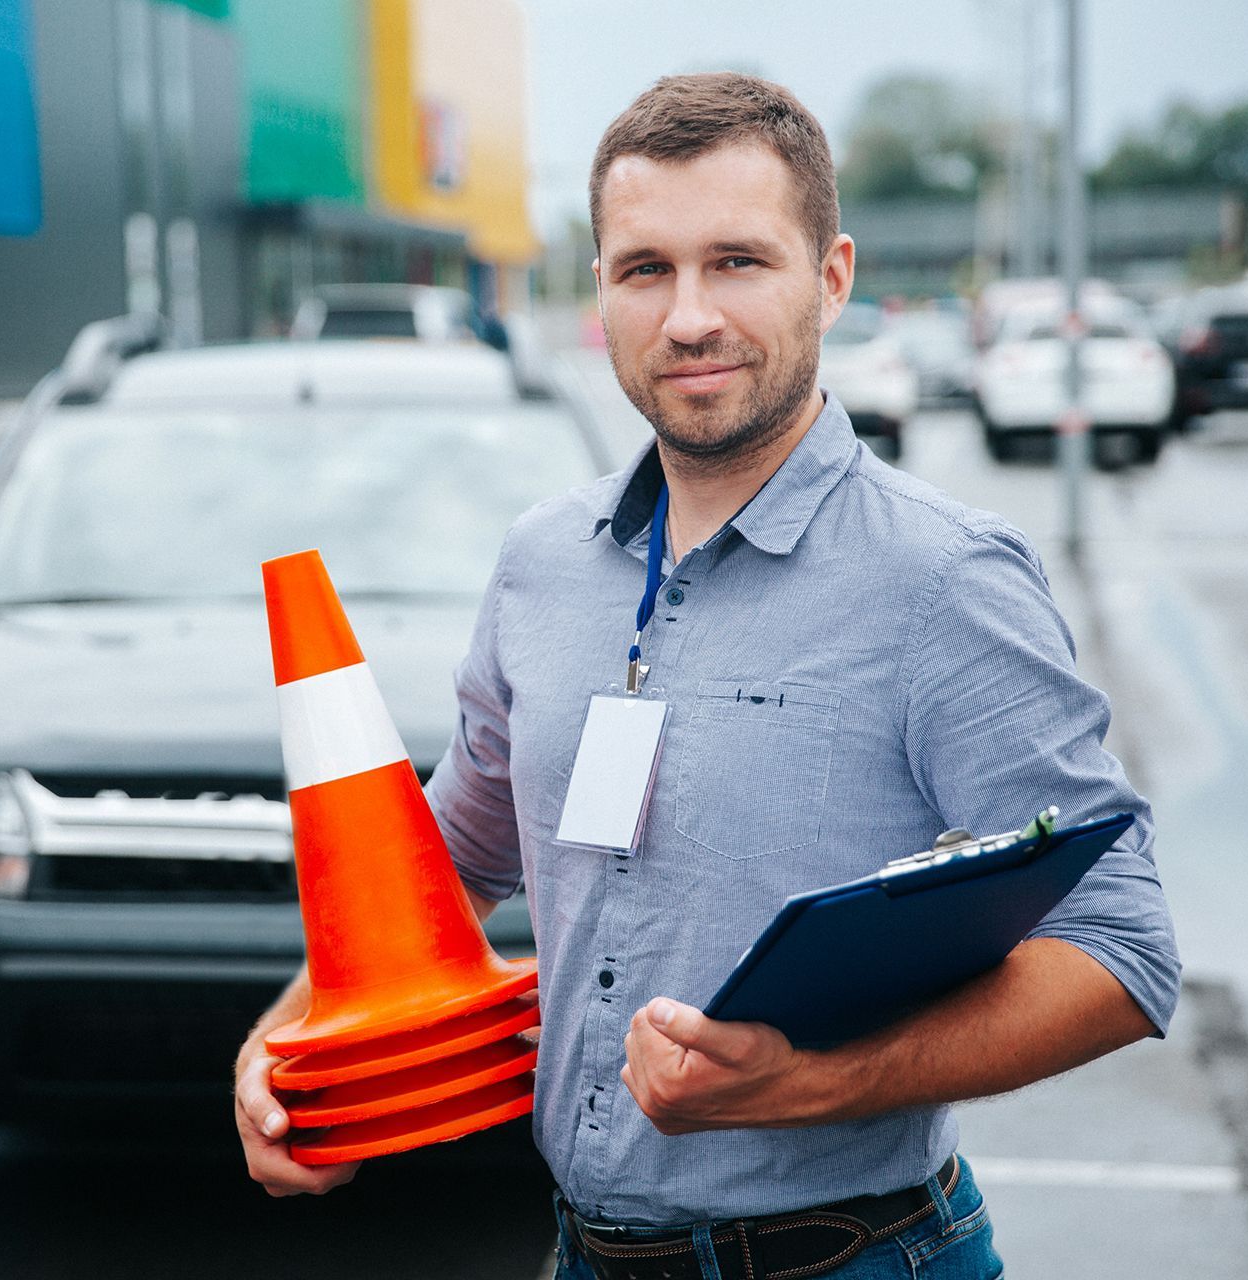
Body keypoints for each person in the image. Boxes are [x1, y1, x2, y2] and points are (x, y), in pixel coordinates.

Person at [235, 72, 1179, 1280]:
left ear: (831, 277)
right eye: (646, 268)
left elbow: (1122, 949)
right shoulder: (541, 564)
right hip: (583, 1254)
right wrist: (279, 1051)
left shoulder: (943, 580)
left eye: (737, 261)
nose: (688, 317)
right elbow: (442, 873)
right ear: (601, 293)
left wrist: (814, 1084)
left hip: (852, 1257)